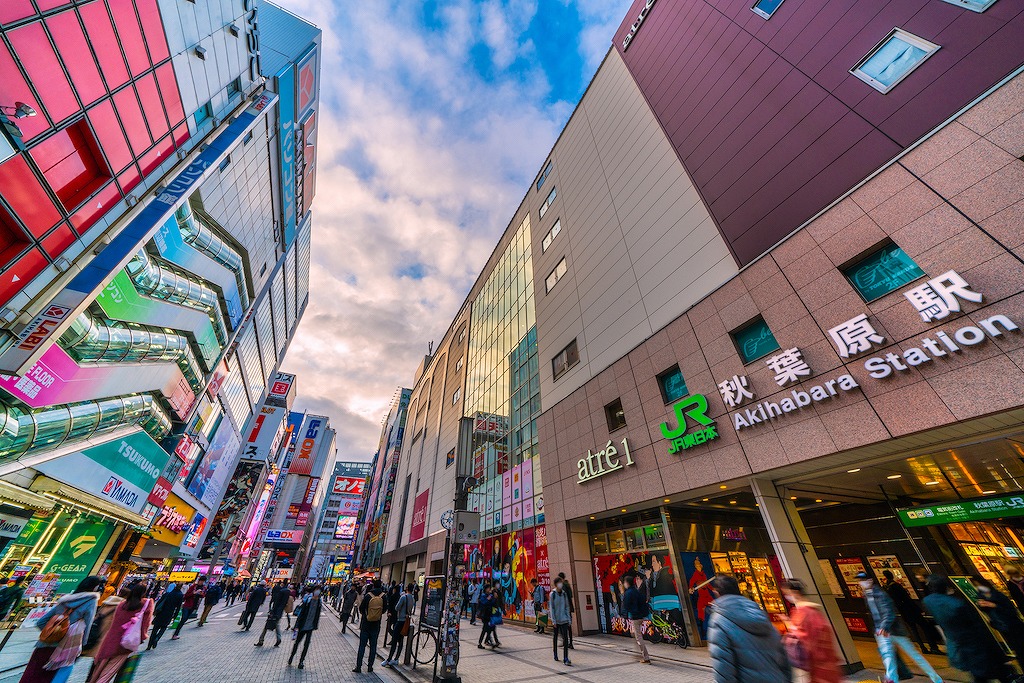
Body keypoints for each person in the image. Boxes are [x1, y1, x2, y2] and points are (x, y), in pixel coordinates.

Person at [857, 571, 942, 683]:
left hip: (894, 631)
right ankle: (892, 680)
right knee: (888, 658)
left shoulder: (880, 594)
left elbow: (888, 611)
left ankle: (937, 679)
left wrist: (883, 626)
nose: (861, 583)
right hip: (881, 632)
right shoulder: (867, 595)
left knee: (914, 656)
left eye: (864, 580)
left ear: (870, 580)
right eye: (860, 580)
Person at [924, 574, 1011, 683]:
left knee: (978, 673)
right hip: (975, 642)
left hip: (958, 644)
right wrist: (1000, 655)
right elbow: (979, 627)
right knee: (993, 671)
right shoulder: (957, 604)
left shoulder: (928, 601)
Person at [707, 574, 790, 683]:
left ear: (716, 593)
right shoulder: (759, 613)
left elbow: (723, 666)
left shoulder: (719, 620)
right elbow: (784, 657)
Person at [20, 575, 104, 683]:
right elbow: (87, 625)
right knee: (50, 677)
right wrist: (82, 644)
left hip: (43, 644)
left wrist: (53, 633)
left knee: (32, 674)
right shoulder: (91, 601)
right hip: (65, 647)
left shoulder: (66, 599)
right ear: (94, 587)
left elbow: (41, 622)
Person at [779, 578, 841, 683]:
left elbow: (802, 637)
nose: (786, 597)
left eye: (787, 593)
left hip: (816, 663)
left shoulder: (804, 613)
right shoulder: (811, 611)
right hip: (823, 662)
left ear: (795, 592)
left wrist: (790, 629)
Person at [88, 583, 153, 683]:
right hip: (125, 643)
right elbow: (145, 623)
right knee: (107, 673)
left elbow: (114, 623)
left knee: (97, 672)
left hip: (110, 640)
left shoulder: (121, 605)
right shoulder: (146, 604)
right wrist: (142, 637)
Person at [882, 569, 941, 655]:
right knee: (925, 627)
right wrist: (919, 610)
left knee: (914, 630)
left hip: (902, 611)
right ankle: (933, 647)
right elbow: (907, 599)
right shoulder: (896, 586)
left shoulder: (885, 588)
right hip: (911, 609)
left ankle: (922, 648)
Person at [971, 577, 1024, 666]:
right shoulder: (981, 598)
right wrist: (983, 606)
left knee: (1020, 648)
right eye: (976, 586)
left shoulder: (999, 596)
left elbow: (1012, 612)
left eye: (979, 585)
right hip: (1003, 627)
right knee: (1018, 650)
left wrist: (995, 606)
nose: (979, 588)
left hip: (1014, 626)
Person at [353, 581, 386, 673]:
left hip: (365, 624)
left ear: (373, 586)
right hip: (376, 624)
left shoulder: (368, 595)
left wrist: (366, 614)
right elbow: (385, 609)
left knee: (362, 646)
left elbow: (361, 608)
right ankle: (370, 666)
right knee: (373, 646)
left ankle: (358, 666)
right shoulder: (383, 596)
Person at [621, 573, 651, 664]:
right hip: (641, 616)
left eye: (624, 583)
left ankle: (646, 657)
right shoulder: (637, 591)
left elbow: (625, 605)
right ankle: (640, 653)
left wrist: (625, 615)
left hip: (635, 617)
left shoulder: (628, 593)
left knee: (638, 637)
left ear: (627, 583)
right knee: (636, 635)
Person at [288, 586, 321, 670]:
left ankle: (301, 661)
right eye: (316, 590)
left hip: (310, 627)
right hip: (302, 625)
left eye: (319, 591)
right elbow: (301, 613)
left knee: (306, 644)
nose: (317, 592)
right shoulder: (308, 601)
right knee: (297, 642)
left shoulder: (319, 603)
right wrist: (296, 625)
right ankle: (291, 656)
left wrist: (315, 625)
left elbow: (317, 615)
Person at [383, 583, 415, 668]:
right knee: (401, 641)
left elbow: (397, 608)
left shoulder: (403, 597)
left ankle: (389, 659)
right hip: (406, 622)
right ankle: (396, 659)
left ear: (407, 588)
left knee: (394, 640)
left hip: (400, 620)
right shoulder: (412, 598)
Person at [146, 582, 182, 650]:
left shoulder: (167, 594)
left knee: (155, 628)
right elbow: (178, 607)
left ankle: (149, 645)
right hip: (169, 613)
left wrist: (155, 611)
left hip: (161, 612)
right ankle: (157, 638)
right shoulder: (180, 595)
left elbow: (159, 602)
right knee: (163, 627)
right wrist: (175, 616)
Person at [256, 581, 290, 647]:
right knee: (277, 626)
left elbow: (276, 604)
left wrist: (272, 611)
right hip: (279, 612)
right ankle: (278, 638)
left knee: (266, 626)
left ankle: (261, 640)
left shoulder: (280, 593)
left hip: (275, 612)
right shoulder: (287, 593)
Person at [689, 557, 714, 639]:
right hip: (702, 596)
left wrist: (713, 589)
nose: (699, 566)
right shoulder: (695, 575)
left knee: (714, 607)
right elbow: (691, 583)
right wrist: (691, 588)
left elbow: (708, 584)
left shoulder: (703, 574)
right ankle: (703, 630)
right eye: (697, 565)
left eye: (699, 564)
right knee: (701, 614)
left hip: (707, 595)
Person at [550, 578, 573, 666]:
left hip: (564, 620)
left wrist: (569, 619)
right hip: (556, 620)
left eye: (561, 583)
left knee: (565, 639)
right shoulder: (553, 594)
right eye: (559, 583)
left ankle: (565, 658)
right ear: (556, 584)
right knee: (555, 637)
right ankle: (555, 654)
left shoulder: (564, 594)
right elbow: (551, 608)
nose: (560, 584)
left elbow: (567, 607)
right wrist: (553, 620)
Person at [477, 584, 498, 648]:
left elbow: (492, 603)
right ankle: (481, 642)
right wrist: (488, 599)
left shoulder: (490, 595)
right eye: (488, 588)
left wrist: (494, 598)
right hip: (484, 615)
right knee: (486, 629)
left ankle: (486, 641)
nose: (489, 590)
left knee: (491, 628)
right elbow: (484, 603)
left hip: (489, 614)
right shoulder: (483, 595)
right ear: (485, 589)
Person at [557, 572, 574, 648]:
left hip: (563, 608)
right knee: (568, 626)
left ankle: (566, 641)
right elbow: (571, 595)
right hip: (568, 608)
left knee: (563, 625)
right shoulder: (567, 585)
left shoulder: (563, 585)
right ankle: (569, 642)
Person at [383, 581, 400, 648]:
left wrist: (389, 611)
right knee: (394, 627)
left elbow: (390, 604)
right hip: (396, 615)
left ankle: (394, 639)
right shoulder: (400, 596)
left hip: (392, 614)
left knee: (389, 627)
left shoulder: (394, 596)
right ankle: (395, 639)